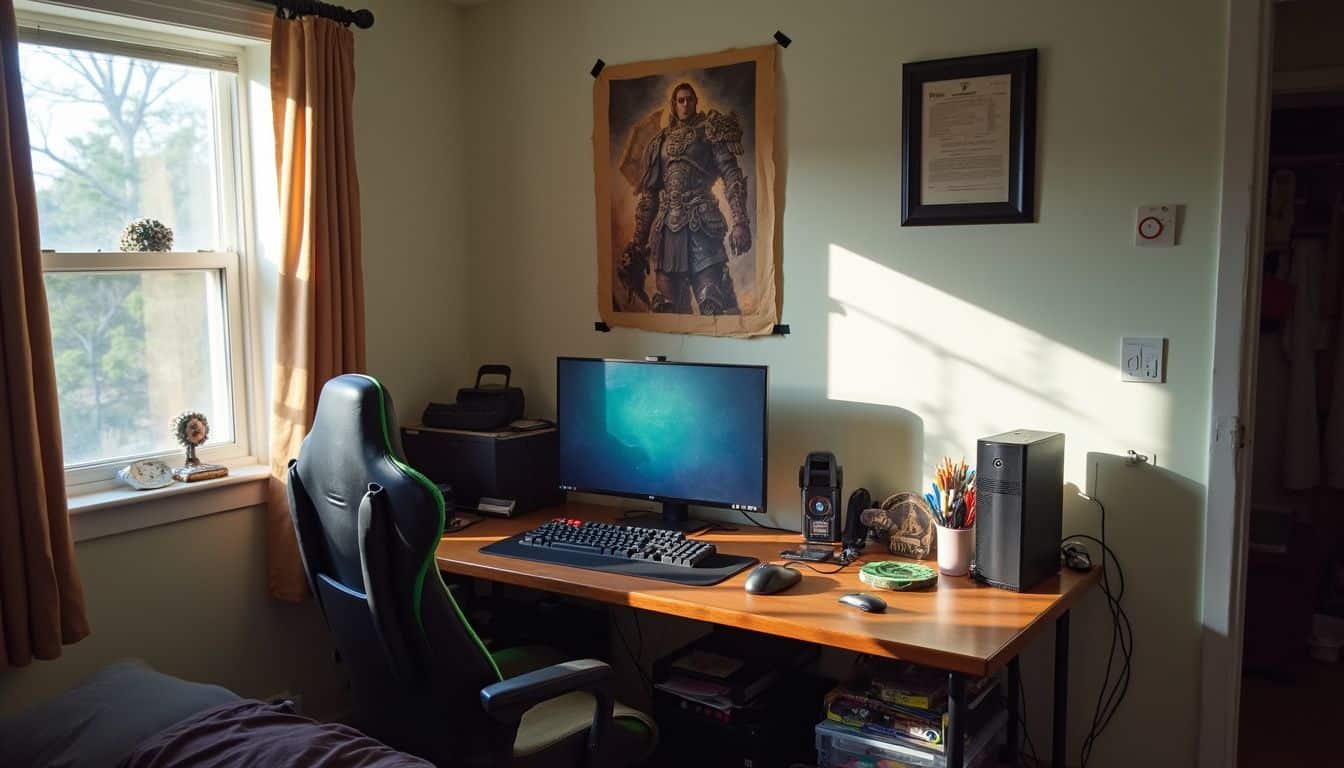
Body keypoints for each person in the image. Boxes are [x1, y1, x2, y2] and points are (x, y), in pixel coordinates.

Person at [620, 82, 751, 314]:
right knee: (668, 310)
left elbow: (732, 177)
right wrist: (637, 245)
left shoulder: (710, 131)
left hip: (702, 226)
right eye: (680, 100)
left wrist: (740, 222)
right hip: (667, 233)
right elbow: (649, 197)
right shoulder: (659, 142)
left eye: (689, 99)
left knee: (712, 302)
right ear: (673, 104)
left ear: (695, 101)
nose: (685, 104)